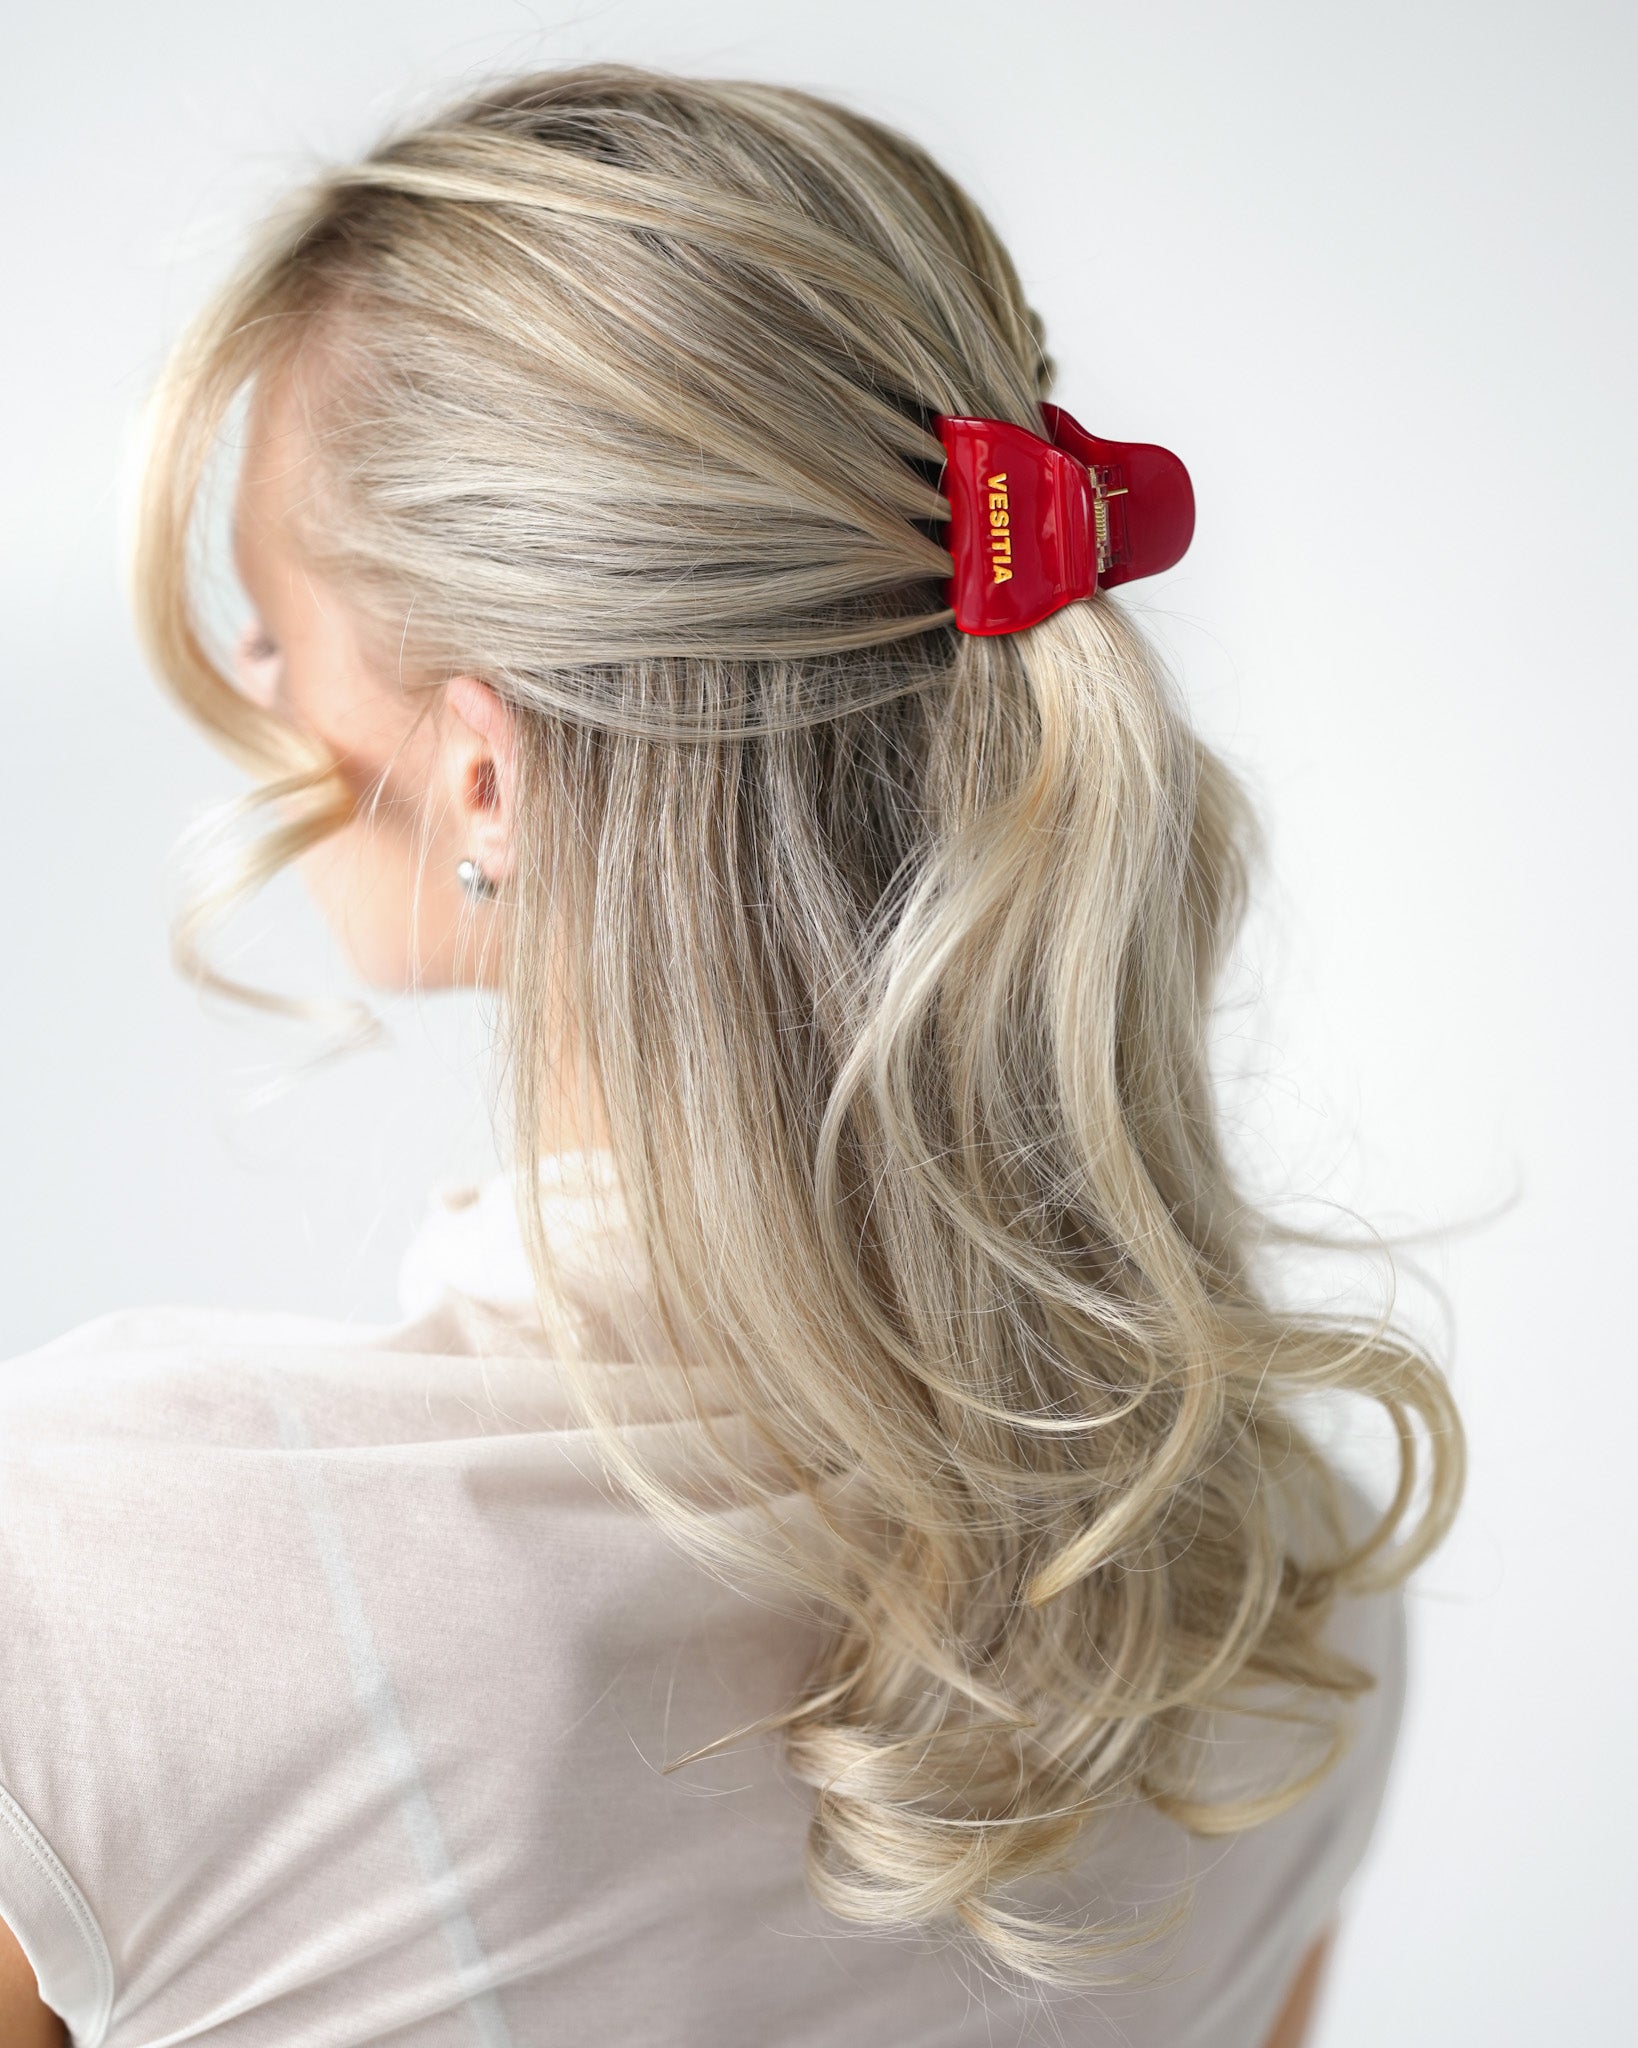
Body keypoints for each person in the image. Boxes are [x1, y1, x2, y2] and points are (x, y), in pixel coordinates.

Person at [0, 64, 1462, 2048]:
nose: (254, 687)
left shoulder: (83, 1584)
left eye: (272, 620)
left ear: (489, 770)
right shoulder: (1274, 1565)